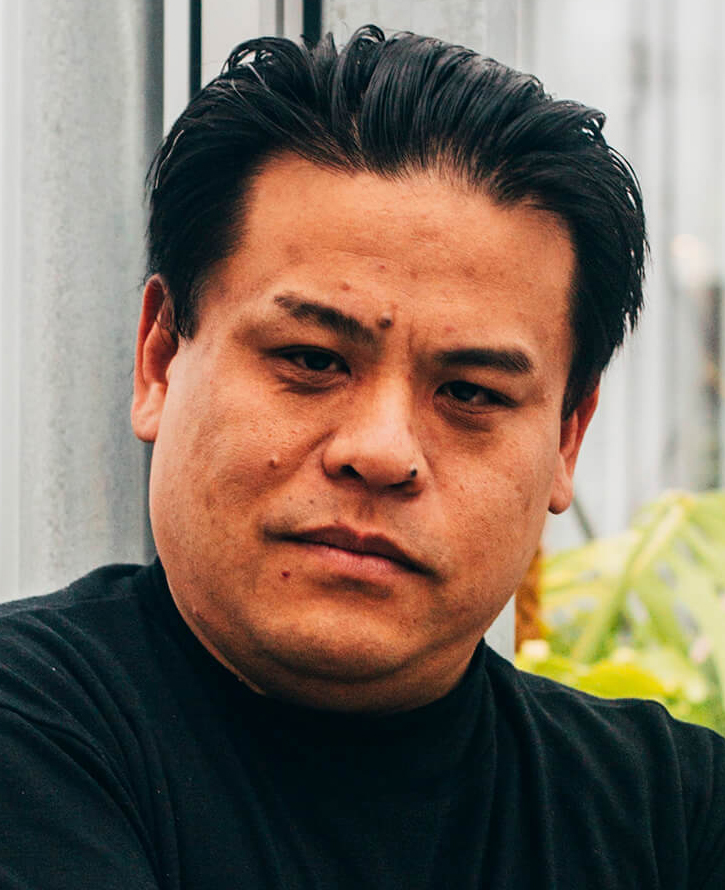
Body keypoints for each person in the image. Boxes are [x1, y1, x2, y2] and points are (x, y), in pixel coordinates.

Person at [0, 24, 723, 889]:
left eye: (470, 393)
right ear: (160, 358)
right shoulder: (32, 733)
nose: (381, 453)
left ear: (567, 437)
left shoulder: (674, 814)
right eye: (311, 359)